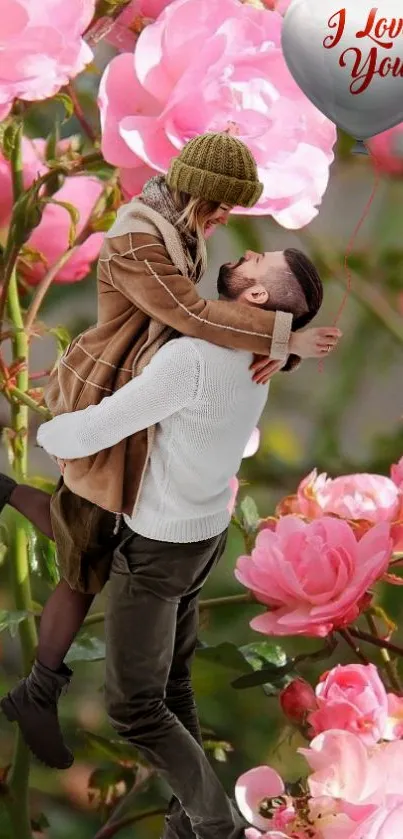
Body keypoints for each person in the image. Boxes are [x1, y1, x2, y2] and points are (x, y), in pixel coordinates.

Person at [0, 131, 340, 772]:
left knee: (90, 534)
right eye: (220, 208)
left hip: (143, 397)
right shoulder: (137, 236)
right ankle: (38, 691)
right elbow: (185, 312)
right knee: (87, 547)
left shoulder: (182, 230)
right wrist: (283, 336)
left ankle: (36, 687)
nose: (222, 224)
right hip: (107, 391)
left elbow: (200, 323)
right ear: (200, 192)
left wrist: (268, 349)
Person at [32, 245, 337, 839]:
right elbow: (200, 315)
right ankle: (187, 819)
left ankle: (214, 825)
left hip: (160, 548)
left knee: (134, 707)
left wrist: (47, 431)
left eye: (257, 260)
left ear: (253, 298)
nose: (245, 252)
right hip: (203, 538)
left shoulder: (194, 358)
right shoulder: (256, 359)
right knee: (171, 686)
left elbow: (101, 426)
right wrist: (283, 340)